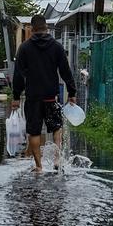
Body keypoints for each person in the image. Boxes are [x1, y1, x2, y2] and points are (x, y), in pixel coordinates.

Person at [11, 14, 76, 172]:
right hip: (50, 96)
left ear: (32, 29)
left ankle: (39, 167)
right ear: (46, 27)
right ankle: (56, 160)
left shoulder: (24, 48)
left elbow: (18, 74)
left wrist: (16, 97)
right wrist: (72, 92)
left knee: (34, 131)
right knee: (56, 127)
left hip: (33, 96)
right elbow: (65, 71)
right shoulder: (56, 47)